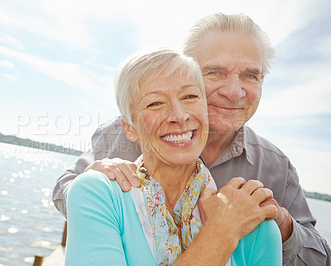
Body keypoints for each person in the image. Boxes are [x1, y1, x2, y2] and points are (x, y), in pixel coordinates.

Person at [54, 13, 331, 265]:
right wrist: (96, 183)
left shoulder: (275, 167)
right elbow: (67, 189)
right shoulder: (121, 133)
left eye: (250, 75)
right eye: (215, 72)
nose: (234, 91)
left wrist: (279, 221)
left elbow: (320, 257)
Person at [65, 48, 282, 265]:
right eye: (155, 103)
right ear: (129, 128)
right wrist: (221, 232)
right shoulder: (98, 193)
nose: (179, 116)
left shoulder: (256, 226)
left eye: (190, 96)